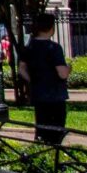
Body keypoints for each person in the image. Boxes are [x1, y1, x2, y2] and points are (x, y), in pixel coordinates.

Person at [20, 12, 72, 146]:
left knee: (41, 128)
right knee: (56, 131)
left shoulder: (29, 47)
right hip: (55, 95)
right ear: (51, 28)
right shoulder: (54, 48)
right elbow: (62, 73)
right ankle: (54, 157)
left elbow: (21, 69)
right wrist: (69, 68)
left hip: (38, 93)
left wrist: (32, 80)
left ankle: (42, 156)